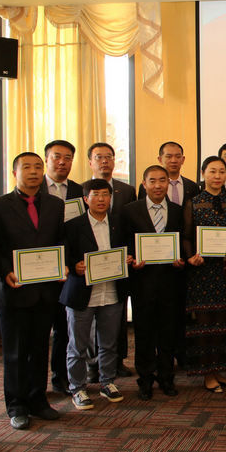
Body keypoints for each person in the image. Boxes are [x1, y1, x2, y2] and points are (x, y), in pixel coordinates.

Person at [0, 152, 66, 430]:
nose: (33, 172)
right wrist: (4, 271)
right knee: (15, 351)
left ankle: (38, 400)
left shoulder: (55, 205)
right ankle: (16, 404)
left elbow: (60, 240)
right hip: (15, 288)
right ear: (14, 172)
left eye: (37, 167)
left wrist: (63, 264)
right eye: (27, 167)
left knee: (39, 347)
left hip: (46, 289)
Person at [60, 178, 133, 409]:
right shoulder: (73, 225)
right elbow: (64, 255)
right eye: (96, 195)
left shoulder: (119, 222)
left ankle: (107, 382)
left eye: (105, 195)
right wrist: (74, 265)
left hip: (111, 290)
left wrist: (128, 258)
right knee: (78, 345)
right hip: (82, 293)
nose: (101, 199)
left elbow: (128, 248)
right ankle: (77, 388)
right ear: (85, 199)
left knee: (109, 343)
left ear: (111, 198)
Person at [122, 165, 186, 400]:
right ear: (144, 184)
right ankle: (146, 379)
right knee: (144, 333)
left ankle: (167, 377)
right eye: (152, 181)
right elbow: (125, 242)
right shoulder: (130, 210)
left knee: (168, 333)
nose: (158, 185)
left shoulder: (177, 210)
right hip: (143, 282)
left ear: (168, 183)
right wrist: (132, 259)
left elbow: (182, 241)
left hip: (170, 281)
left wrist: (181, 260)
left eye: (162, 180)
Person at [182, 157, 226, 392]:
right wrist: (191, 257)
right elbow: (187, 236)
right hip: (202, 272)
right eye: (212, 171)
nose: (217, 176)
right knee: (205, 325)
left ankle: (219, 371)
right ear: (203, 173)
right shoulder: (194, 203)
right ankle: (207, 374)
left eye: (221, 172)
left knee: (223, 325)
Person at [87, 141, 136, 377]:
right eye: (99, 157)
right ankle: (92, 364)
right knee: (91, 319)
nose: (104, 161)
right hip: (91, 264)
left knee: (117, 313)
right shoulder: (81, 189)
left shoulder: (126, 190)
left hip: (118, 263)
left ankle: (117, 361)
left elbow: (132, 224)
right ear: (90, 162)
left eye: (108, 157)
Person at [40, 139, 83, 397]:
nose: (62, 162)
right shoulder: (35, 189)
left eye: (68, 157)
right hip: (40, 268)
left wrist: (71, 263)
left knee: (64, 328)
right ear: (47, 159)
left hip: (69, 270)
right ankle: (33, 386)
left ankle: (60, 377)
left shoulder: (79, 190)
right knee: (37, 331)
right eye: (57, 156)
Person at [137, 141, 199, 206]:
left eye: (178, 157)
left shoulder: (193, 186)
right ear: (160, 159)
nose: (173, 160)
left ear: (183, 159)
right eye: (169, 157)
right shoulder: (148, 186)